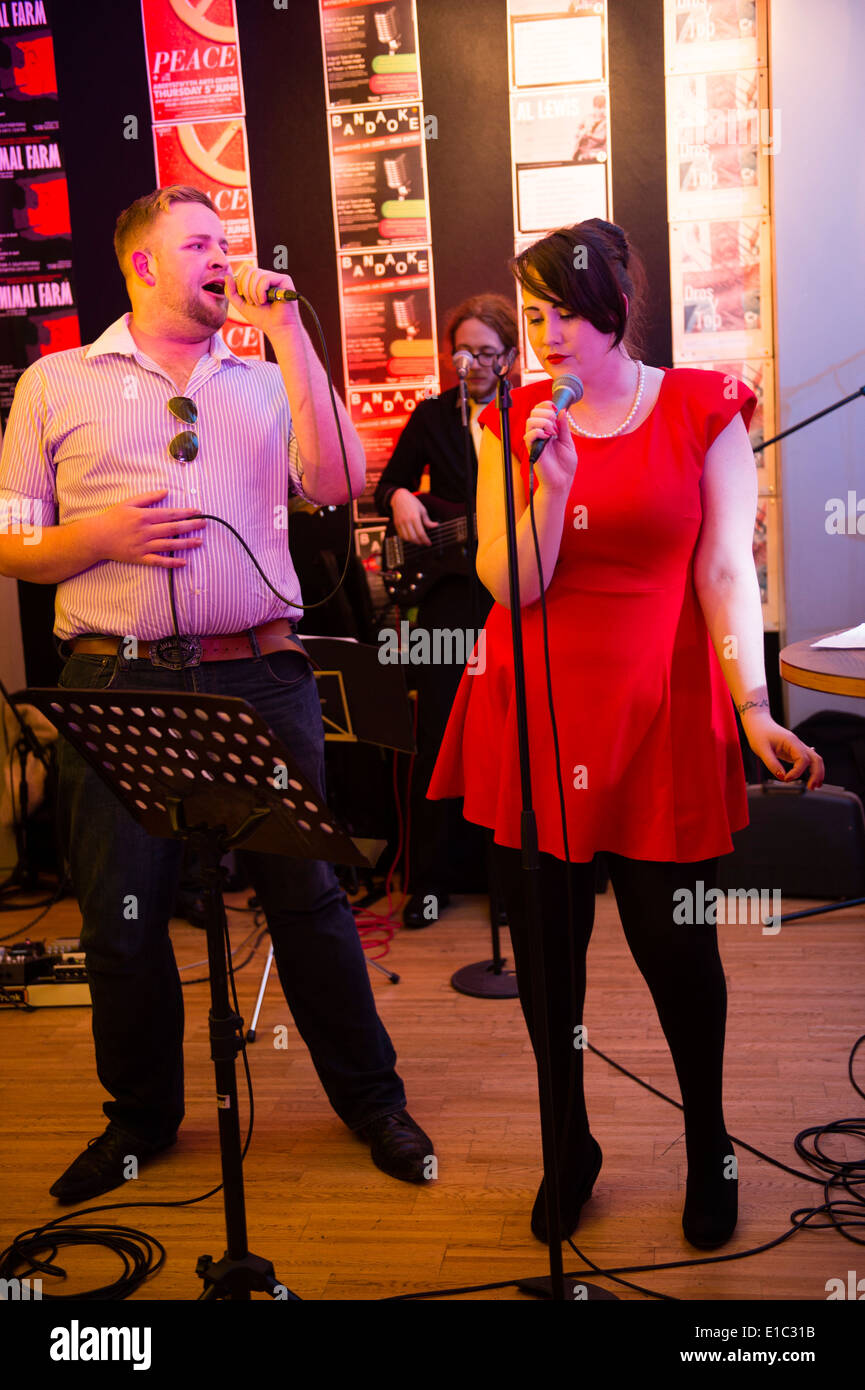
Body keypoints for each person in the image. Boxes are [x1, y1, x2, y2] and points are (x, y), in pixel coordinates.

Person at [0, 185, 434, 1201]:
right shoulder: (56, 383)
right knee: (121, 916)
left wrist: (290, 331)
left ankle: (373, 1101)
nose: (221, 256)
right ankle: (140, 1121)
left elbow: (335, 482)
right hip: (115, 678)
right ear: (142, 265)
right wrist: (94, 540)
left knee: (310, 900)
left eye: (226, 242)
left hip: (257, 677)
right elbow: (13, 540)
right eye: (198, 243)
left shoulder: (265, 374)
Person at [427, 218, 824, 1247]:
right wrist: (549, 490)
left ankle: (710, 1144)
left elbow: (726, 570)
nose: (547, 333)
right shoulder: (506, 419)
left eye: (565, 311)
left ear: (615, 304)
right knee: (551, 961)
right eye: (534, 314)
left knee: (677, 952)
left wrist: (751, 706)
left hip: (659, 708)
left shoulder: (701, 406)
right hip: (536, 705)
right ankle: (571, 1148)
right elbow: (511, 585)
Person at [374, 295, 517, 927]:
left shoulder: (530, 413)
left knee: (511, 740)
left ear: (509, 356)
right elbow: (385, 485)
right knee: (436, 737)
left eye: (488, 352)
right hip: (448, 598)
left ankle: (512, 890)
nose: (476, 364)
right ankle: (427, 883)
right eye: (464, 352)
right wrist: (403, 494)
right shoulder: (433, 415)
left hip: (512, 594)